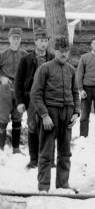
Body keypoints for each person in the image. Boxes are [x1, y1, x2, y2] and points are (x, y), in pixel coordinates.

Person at [30, 36, 80, 192]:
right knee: (46, 154)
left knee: (65, 153)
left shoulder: (71, 70)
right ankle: (43, 187)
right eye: (60, 51)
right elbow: (35, 94)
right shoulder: (45, 68)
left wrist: (76, 113)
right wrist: (44, 115)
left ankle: (63, 185)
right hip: (50, 115)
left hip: (67, 115)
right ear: (54, 51)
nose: (64, 54)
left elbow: (75, 93)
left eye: (66, 51)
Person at [14, 29, 54, 169]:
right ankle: (34, 159)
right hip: (31, 98)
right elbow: (18, 82)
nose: (43, 44)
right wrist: (19, 101)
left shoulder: (53, 58)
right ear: (35, 42)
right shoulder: (26, 60)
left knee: (50, 128)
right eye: (41, 41)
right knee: (32, 127)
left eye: (45, 41)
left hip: (50, 99)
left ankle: (50, 160)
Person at [0, 28, 28, 153]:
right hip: (5, 89)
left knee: (17, 117)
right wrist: (1, 78)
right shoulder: (2, 55)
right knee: (3, 118)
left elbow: (31, 72)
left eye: (18, 38)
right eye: (13, 38)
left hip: (19, 90)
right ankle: (1, 148)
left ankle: (16, 149)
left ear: (21, 39)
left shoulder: (25, 55)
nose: (16, 40)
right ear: (9, 39)